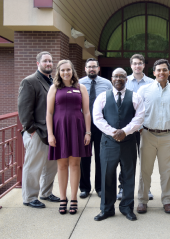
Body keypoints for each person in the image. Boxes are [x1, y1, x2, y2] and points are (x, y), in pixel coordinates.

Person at [93, 68, 145, 221]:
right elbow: (97, 118)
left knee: (128, 176)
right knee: (107, 175)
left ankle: (127, 208)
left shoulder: (135, 97)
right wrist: (113, 132)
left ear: (126, 79)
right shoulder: (102, 97)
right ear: (111, 78)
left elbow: (139, 118)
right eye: (116, 76)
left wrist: (125, 131)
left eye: (122, 76)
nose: (118, 79)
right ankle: (106, 209)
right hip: (108, 143)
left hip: (128, 142)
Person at [137, 59, 170, 214]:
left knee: (166, 171)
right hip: (148, 134)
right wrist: (140, 129)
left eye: (164, 70)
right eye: (159, 70)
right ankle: (142, 200)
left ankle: (167, 200)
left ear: (169, 72)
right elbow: (138, 111)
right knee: (145, 170)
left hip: (167, 136)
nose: (161, 72)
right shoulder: (144, 90)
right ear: (154, 72)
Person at [47, 60, 92, 215]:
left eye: (68, 70)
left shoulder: (81, 88)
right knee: (62, 165)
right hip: (59, 130)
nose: (65, 73)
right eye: (62, 70)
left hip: (77, 129)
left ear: (73, 71)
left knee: (75, 164)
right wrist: (50, 134)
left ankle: (73, 199)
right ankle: (63, 199)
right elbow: (49, 113)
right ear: (59, 72)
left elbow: (86, 112)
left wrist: (88, 132)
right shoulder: (54, 88)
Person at [18, 51, 60, 208]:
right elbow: (24, 108)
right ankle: (29, 197)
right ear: (38, 63)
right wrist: (31, 129)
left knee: (51, 164)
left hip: (53, 132)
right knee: (33, 165)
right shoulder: (29, 81)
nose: (48, 63)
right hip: (37, 131)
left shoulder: (53, 82)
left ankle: (46, 193)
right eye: (45, 61)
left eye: (50, 61)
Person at [117, 54, 154, 201]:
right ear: (131, 65)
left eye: (140, 63)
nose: (137, 66)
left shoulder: (152, 83)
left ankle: (146, 188)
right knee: (126, 159)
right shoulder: (124, 82)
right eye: (135, 64)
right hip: (128, 129)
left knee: (145, 160)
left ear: (144, 65)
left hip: (146, 128)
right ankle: (122, 187)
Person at [79, 58, 113, 199]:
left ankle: (100, 187)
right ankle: (84, 188)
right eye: (89, 67)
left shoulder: (107, 84)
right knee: (84, 157)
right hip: (83, 125)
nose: (91, 69)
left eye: (94, 66)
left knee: (101, 157)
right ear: (85, 69)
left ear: (99, 68)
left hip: (101, 125)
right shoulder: (79, 83)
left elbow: (111, 103)